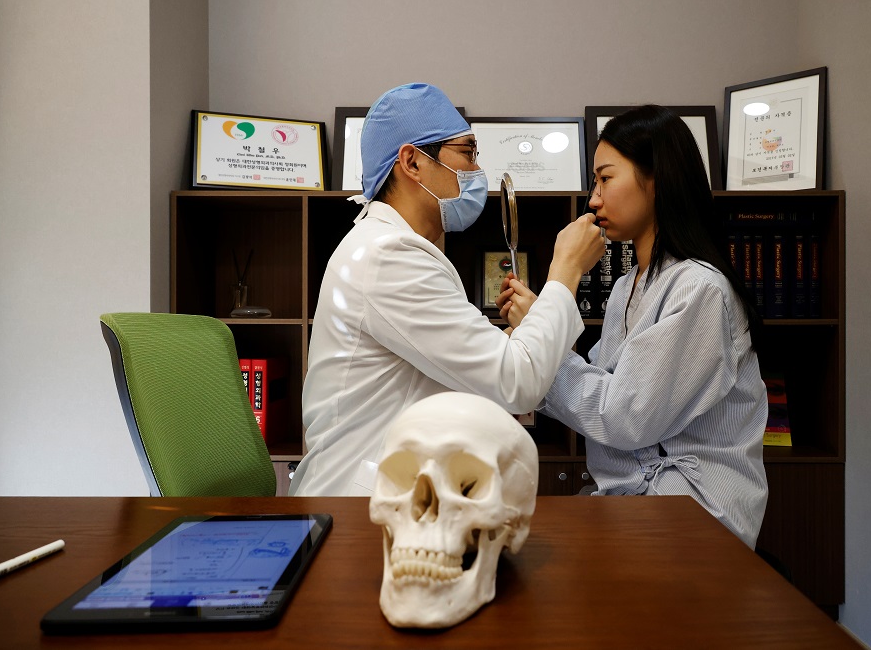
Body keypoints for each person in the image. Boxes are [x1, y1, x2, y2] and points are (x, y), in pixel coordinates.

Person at [289, 83, 605, 497]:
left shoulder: (394, 248)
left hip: (399, 491)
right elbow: (516, 383)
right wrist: (566, 269)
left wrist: (512, 341)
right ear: (413, 163)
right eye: (468, 153)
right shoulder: (390, 256)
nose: (477, 172)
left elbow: (446, 369)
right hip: (359, 507)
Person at [497, 105, 768, 547]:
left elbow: (625, 415)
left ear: (655, 179)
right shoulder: (628, 285)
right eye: (593, 182)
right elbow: (602, 382)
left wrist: (550, 323)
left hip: (693, 512)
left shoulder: (698, 289)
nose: (594, 199)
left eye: (606, 178)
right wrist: (537, 332)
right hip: (637, 501)